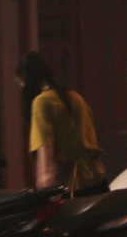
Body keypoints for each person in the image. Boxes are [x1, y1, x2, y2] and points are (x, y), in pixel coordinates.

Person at [15, 51, 107, 196]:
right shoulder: (76, 97)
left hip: (71, 187)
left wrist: (45, 184)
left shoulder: (41, 102)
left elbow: (45, 153)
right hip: (97, 180)